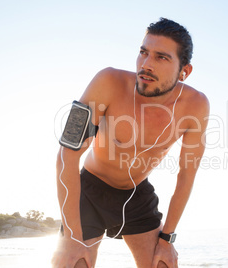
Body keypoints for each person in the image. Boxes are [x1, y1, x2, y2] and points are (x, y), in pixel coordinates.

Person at [52, 18, 209, 268]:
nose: (146, 64)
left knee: (163, 264)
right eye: (143, 52)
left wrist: (167, 239)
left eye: (161, 57)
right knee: (73, 263)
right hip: (89, 191)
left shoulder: (196, 105)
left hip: (137, 196)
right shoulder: (107, 82)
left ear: (184, 72)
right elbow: (66, 153)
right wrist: (71, 236)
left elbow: (186, 176)